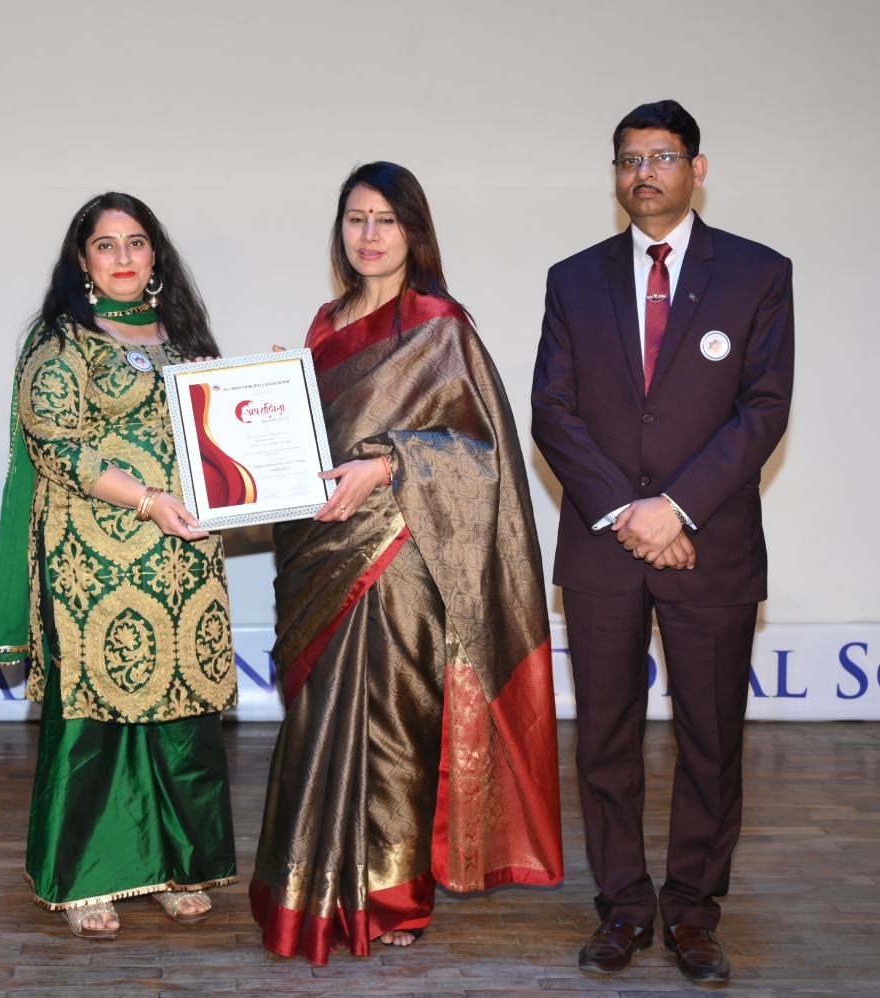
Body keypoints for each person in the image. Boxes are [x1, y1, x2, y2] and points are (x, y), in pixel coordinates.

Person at [249, 162, 564, 965]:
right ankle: (304, 891)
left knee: (393, 725)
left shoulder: (440, 326)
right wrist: (280, 402)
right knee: (314, 725)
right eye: (356, 219)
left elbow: (483, 453)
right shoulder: (326, 325)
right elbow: (315, 444)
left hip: (400, 554)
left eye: (385, 220)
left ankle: (393, 894)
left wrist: (389, 464)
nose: (369, 235)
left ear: (413, 232)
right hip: (320, 553)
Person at [532, 100, 794, 985]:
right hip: (603, 544)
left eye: (662, 156)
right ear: (615, 174)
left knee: (710, 739)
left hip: (710, 543)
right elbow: (552, 412)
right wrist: (629, 512)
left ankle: (692, 910)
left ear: (697, 168)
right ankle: (623, 906)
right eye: (629, 159)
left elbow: (763, 410)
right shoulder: (573, 280)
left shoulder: (757, 274)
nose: (644, 172)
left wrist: (676, 509)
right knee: (605, 737)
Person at [0, 192, 237, 940]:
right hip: (92, 559)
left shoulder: (185, 337)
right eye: (106, 244)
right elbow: (56, 444)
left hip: (182, 559)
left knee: (180, 715)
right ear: (82, 261)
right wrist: (147, 500)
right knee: (98, 720)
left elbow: (218, 437)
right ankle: (89, 877)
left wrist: (265, 400)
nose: (124, 257)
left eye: (137, 242)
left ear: (156, 256)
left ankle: (179, 868)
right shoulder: (61, 341)